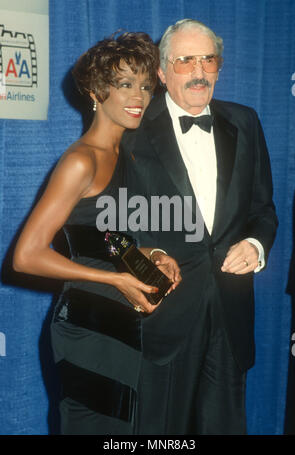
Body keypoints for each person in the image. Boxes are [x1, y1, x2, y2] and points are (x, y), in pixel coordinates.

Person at [13, 32, 181, 435]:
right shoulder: (79, 161)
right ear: (95, 90)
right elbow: (27, 254)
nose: (139, 95)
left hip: (123, 320)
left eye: (144, 85)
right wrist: (115, 279)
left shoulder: (127, 154)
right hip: (86, 325)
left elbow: (106, 237)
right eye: (125, 84)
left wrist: (155, 254)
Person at [121, 19, 278, 434]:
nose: (198, 72)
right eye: (185, 60)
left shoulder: (245, 122)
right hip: (163, 315)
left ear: (219, 67)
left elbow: (264, 210)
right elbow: (112, 224)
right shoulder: (131, 129)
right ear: (161, 71)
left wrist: (257, 246)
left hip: (231, 313)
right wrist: (150, 259)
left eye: (208, 60)